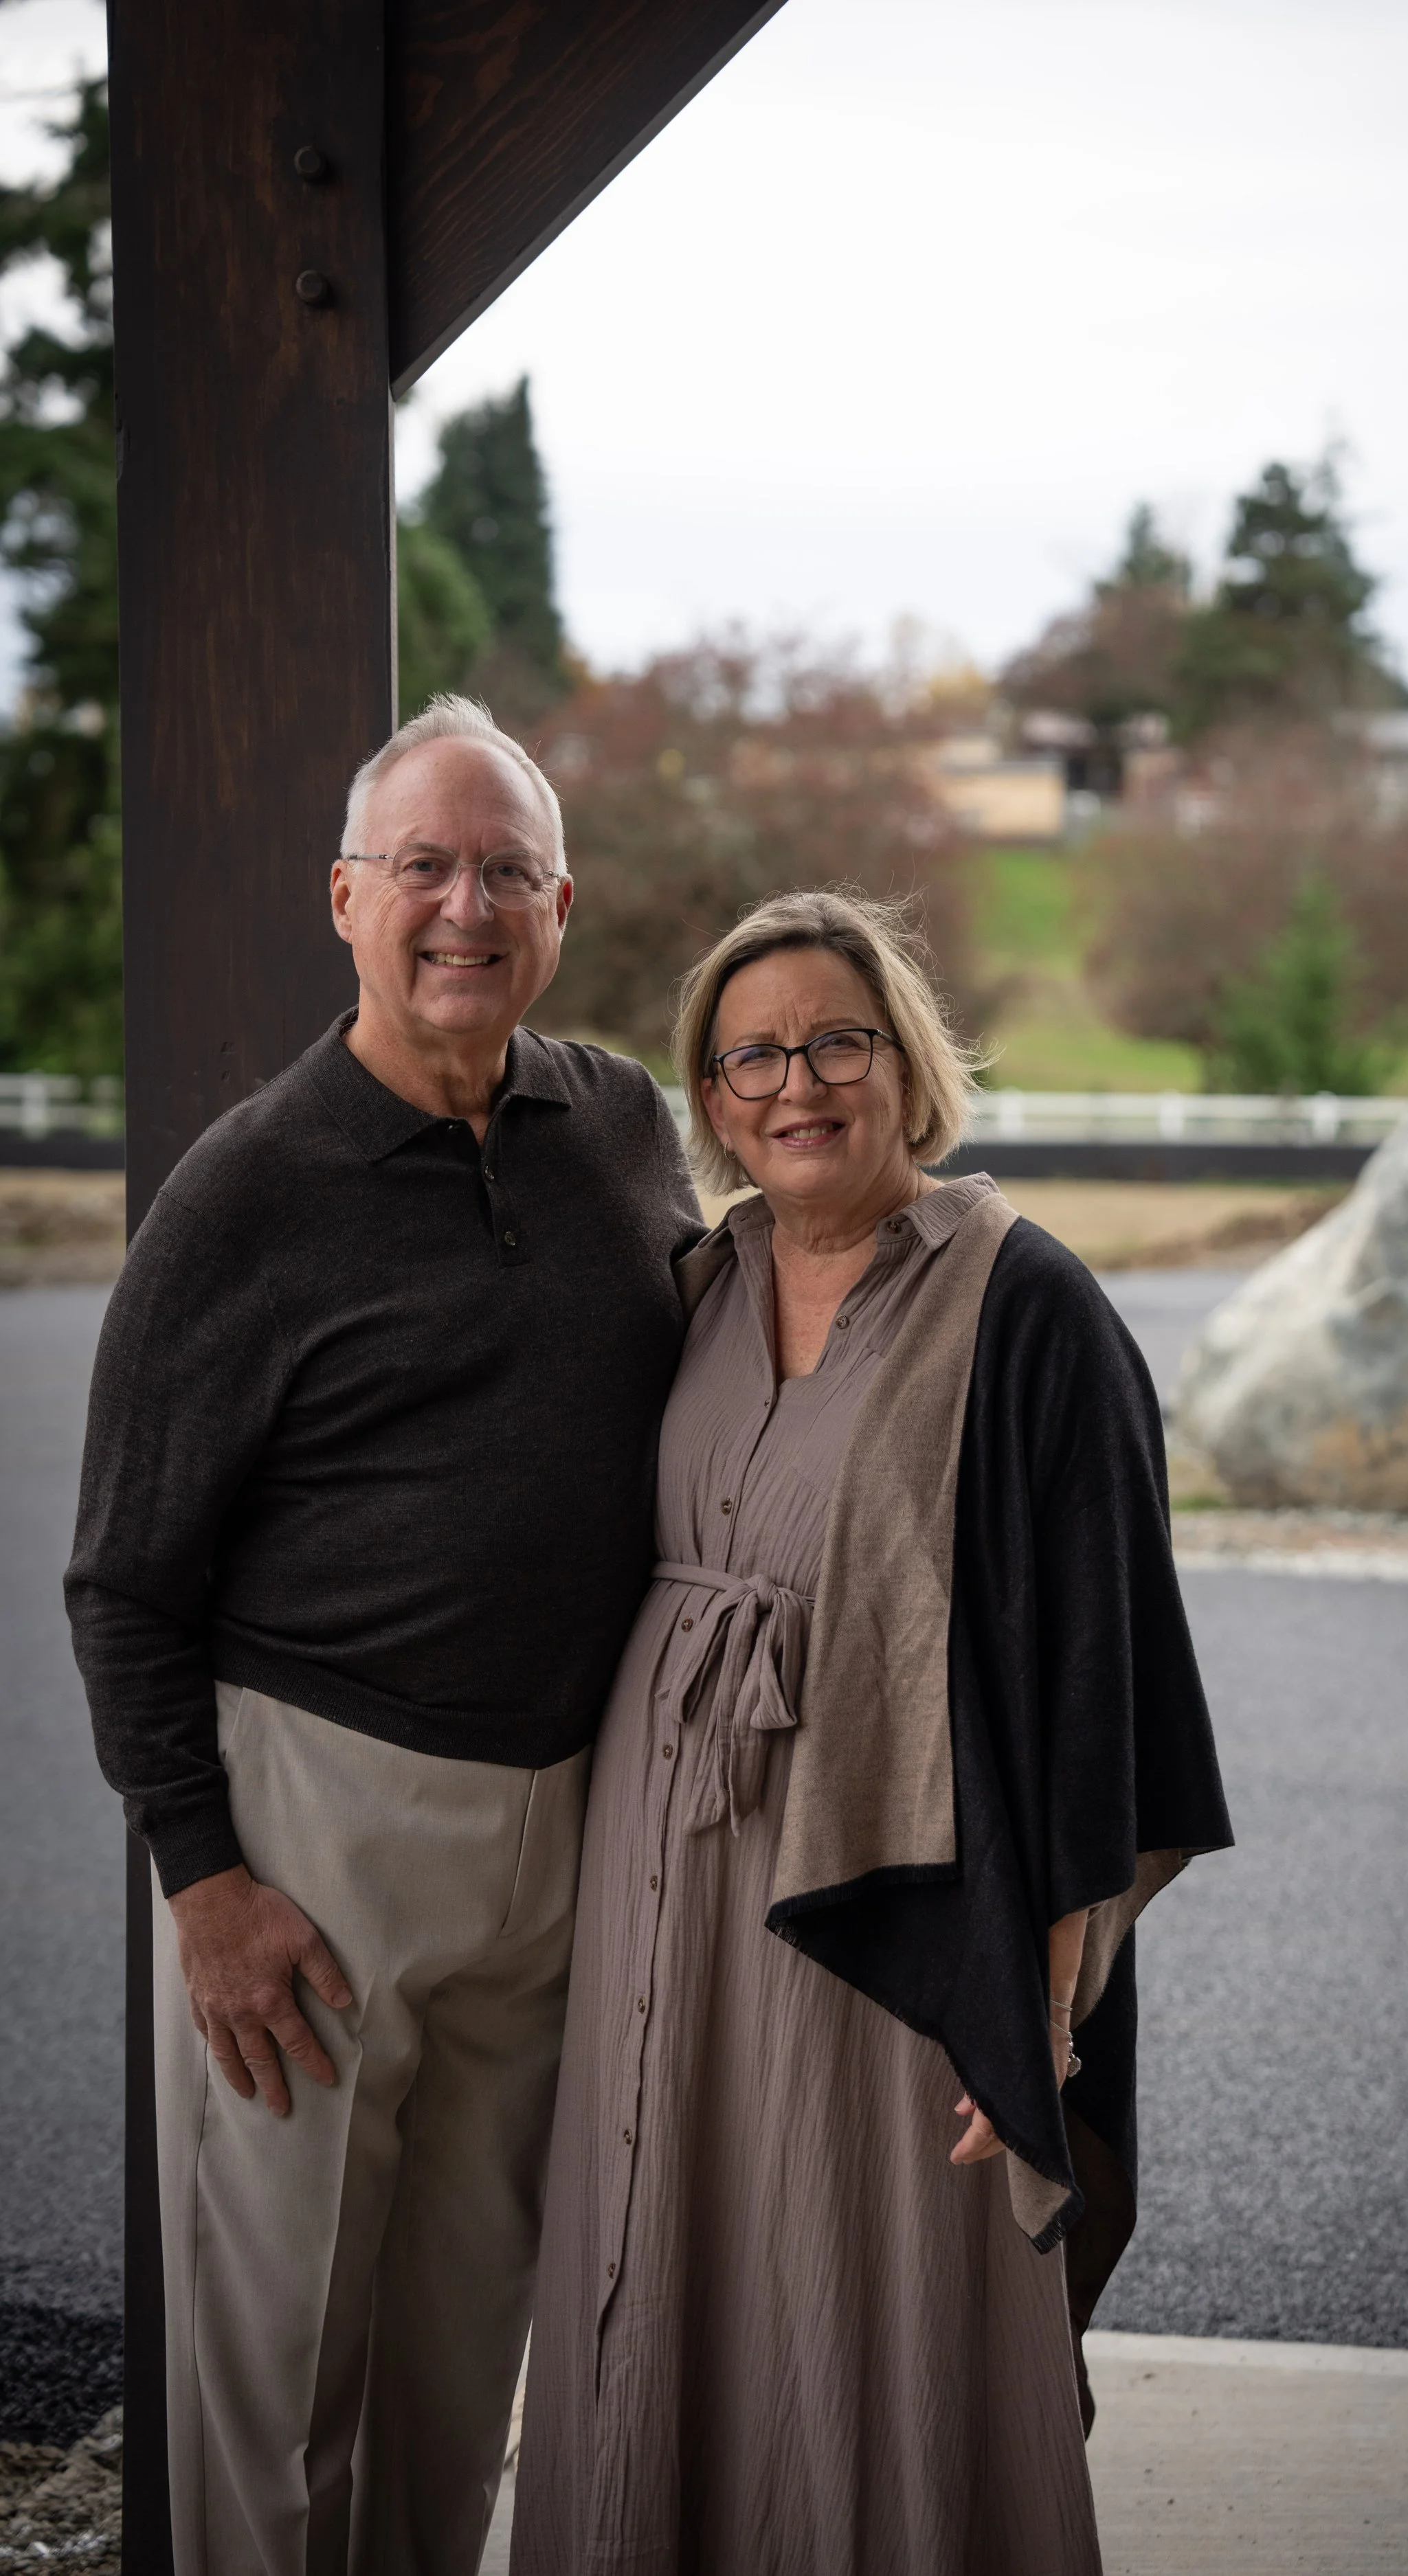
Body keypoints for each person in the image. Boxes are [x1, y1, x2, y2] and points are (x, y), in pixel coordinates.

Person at [511, 888, 1231, 2575]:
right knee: (655, 2257)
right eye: (748, 1054)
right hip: (661, 1876)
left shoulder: (1025, 1302)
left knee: (878, 2300)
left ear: (905, 1060)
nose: (795, 1083)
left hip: (901, 1895)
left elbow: (1102, 1674)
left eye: (836, 1038)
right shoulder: (695, 1281)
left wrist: (1041, 1988)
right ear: (707, 1098)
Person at [64, 695, 704, 2576]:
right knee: (278, 2375)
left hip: (563, 1821)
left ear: (560, 905)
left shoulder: (622, 1125)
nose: (463, 903)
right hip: (316, 1835)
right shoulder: (246, 1192)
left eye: (505, 867)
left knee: (457, 2346)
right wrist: (205, 1878)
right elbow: (121, 1577)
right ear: (344, 896)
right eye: (421, 863)